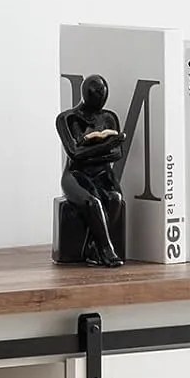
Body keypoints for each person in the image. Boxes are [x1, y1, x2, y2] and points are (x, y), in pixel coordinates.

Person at [55, 75, 127, 267]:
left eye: (104, 97)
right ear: (86, 95)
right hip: (76, 174)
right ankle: (106, 249)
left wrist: (89, 153)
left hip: (102, 173)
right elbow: (74, 154)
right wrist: (106, 146)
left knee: (115, 198)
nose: (101, 102)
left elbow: (117, 154)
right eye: (96, 97)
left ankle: (94, 247)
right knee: (92, 201)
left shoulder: (109, 118)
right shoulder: (67, 119)